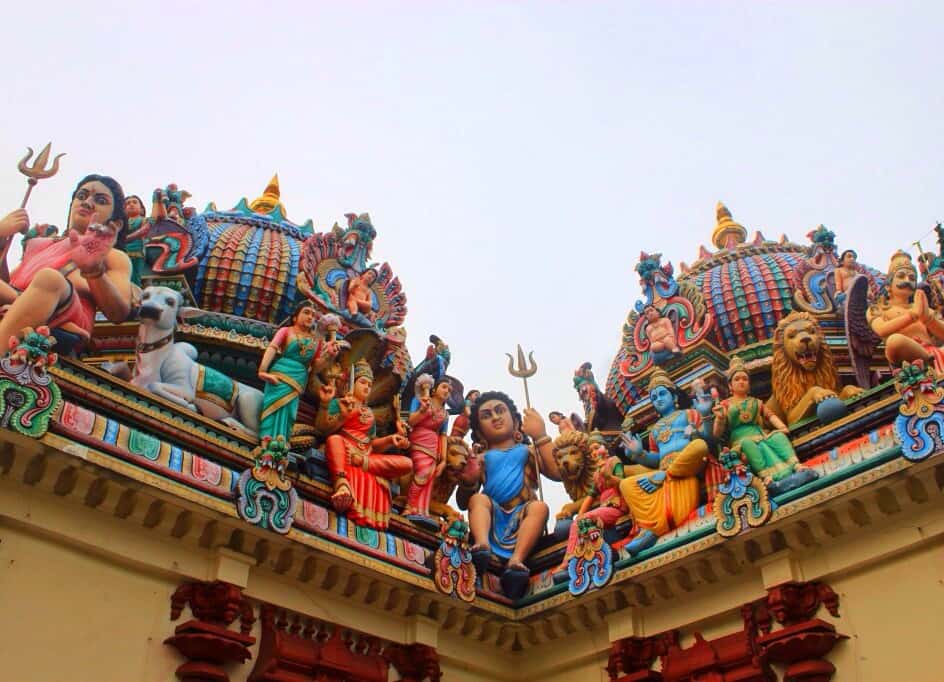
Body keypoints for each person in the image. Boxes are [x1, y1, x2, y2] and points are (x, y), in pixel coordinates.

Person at [0, 174, 133, 345]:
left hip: (66, 315)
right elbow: (9, 283)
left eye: (100, 200)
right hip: (19, 303)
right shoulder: (39, 244)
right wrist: (2, 238)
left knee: (51, 279)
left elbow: (118, 313)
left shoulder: (113, 256)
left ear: (116, 222)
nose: (87, 202)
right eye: (82, 196)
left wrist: (93, 272)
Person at [465, 391, 561, 596]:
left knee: (539, 507)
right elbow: (464, 500)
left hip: (523, 513)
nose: (495, 417)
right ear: (480, 431)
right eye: (487, 415)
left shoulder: (528, 451)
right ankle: (482, 545)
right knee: (478, 499)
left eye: (500, 411)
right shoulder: (481, 458)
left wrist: (541, 436)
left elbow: (557, 472)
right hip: (491, 515)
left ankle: (516, 561)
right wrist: (468, 478)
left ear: (517, 423)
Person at [619, 369, 708, 555]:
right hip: (662, 473)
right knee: (626, 485)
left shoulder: (689, 414)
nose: (658, 399)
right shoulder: (655, 431)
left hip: (685, 469)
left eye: (662, 393)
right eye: (654, 397)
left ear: (673, 395)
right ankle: (649, 528)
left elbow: (707, 440)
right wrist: (639, 454)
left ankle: (665, 477)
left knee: (699, 445)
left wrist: (706, 417)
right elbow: (656, 459)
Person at [317, 359, 413, 529]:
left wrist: (391, 439)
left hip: (366, 457)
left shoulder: (369, 414)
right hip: (345, 450)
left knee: (407, 464)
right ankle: (342, 484)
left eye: (370, 384)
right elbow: (323, 429)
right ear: (350, 384)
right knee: (334, 441)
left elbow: (373, 444)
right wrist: (333, 410)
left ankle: (362, 463)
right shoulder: (340, 402)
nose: (367, 387)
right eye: (362, 382)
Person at [713, 357, 810, 486]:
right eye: (737, 379)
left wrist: (782, 427)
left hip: (761, 435)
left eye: (744, 379)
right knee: (748, 444)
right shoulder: (725, 404)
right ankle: (766, 475)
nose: (741, 382)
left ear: (749, 384)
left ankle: (796, 465)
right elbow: (716, 434)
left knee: (778, 437)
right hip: (740, 440)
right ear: (730, 385)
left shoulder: (756, 402)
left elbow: (770, 416)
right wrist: (719, 418)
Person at [257, 302, 338, 443]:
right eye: (306, 312)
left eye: (313, 315)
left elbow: (316, 367)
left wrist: (329, 356)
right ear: (295, 317)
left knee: (289, 413)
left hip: (298, 380)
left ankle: (280, 444)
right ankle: (265, 443)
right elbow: (272, 348)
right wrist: (263, 370)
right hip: (279, 376)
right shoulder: (286, 331)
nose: (310, 317)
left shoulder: (316, 341)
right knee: (272, 410)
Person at [868, 250, 944, 372]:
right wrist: (912, 316)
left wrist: (928, 319)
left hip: (932, 350)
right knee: (895, 341)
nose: (908, 280)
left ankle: (932, 361)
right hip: (906, 352)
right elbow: (881, 329)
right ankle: (930, 362)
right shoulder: (878, 308)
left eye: (912, 278)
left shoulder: (922, 306)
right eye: (901, 276)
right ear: (888, 285)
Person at [558, 456, 627, 570]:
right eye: (593, 451)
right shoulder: (597, 474)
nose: (595, 453)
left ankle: (574, 558)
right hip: (605, 509)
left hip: (616, 506)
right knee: (578, 523)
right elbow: (590, 497)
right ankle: (571, 558)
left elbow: (622, 482)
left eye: (597, 447)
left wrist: (608, 476)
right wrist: (579, 516)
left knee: (586, 519)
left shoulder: (614, 462)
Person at [404, 374, 450, 519]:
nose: (447, 391)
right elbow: (410, 422)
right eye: (444, 387)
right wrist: (422, 411)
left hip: (433, 447)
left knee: (430, 477)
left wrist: (443, 460)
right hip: (418, 440)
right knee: (422, 473)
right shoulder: (420, 401)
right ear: (434, 389)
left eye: (449, 389)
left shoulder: (445, 414)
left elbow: (443, 436)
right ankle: (409, 506)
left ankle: (422, 511)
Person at [123, 195, 151, 286]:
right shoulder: (122, 223)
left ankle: (135, 294)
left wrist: (126, 238)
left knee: (134, 275)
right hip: (122, 251)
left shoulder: (143, 220)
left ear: (142, 209)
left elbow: (144, 231)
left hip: (136, 251)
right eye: (128, 203)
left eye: (134, 202)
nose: (131, 204)